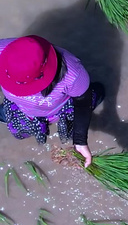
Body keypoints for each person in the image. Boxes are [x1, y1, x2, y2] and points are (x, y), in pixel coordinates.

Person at [0, 35, 105, 167]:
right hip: (23, 109)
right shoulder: (2, 51)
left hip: (62, 107)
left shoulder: (73, 74)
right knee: (18, 130)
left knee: (94, 95)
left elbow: (83, 102)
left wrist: (80, 139)